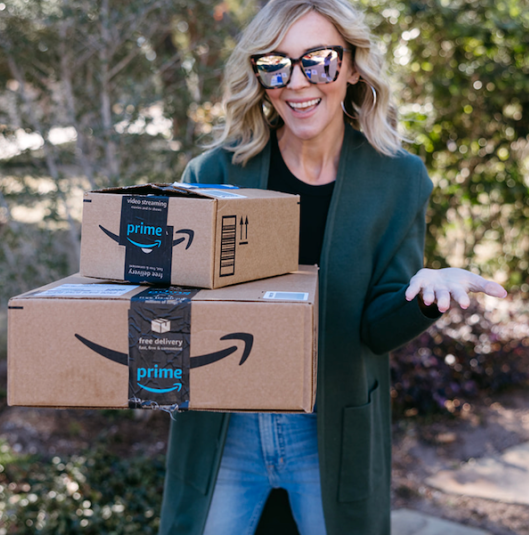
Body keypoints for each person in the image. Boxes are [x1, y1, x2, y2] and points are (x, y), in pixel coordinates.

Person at [158, 1, 507, 534]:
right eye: (275, 65)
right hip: (225, 430)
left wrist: (426, 293)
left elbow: (374, 326)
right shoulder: (215, 172)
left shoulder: (398, 179)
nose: (296, 83)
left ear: (350, 65)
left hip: (328, 430)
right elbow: (183, 306)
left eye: (318, 61)